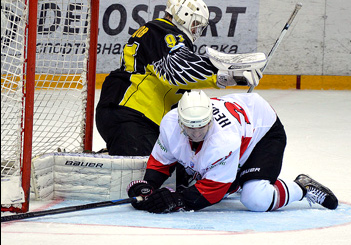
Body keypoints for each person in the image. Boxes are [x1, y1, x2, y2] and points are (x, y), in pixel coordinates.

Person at [96, 0, 265, 156]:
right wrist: (224, 73)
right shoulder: (161, 30)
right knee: (145, 176)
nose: (196, 30)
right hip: (130, 115)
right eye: (196, 24)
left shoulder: (167, 37)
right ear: (184, 15)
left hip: (136, 118)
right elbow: (176, 70)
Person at [127, 90, 338, 213]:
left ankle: (302, 187)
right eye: (191, 127)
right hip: (240, 131)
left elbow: (213, 190)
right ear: (180, 121)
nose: (197, 133)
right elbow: (161, 160)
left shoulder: (223, 140)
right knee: (191, 180)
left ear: (210, 119)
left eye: (202, 126)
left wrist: (178, 200)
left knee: (255, 199)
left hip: (262, 132)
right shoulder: (170, 123)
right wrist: (149, 185)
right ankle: (238, 180)